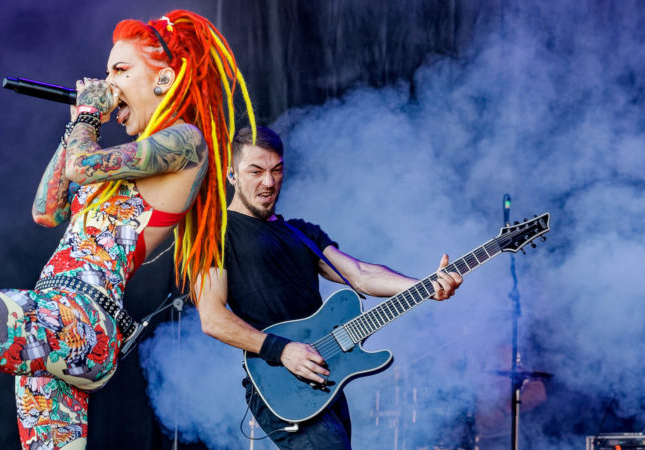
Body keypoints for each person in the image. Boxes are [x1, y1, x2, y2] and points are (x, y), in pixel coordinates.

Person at [0, 10, 255, 450]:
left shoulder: (186, 141)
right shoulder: (121, 161)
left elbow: (81, 165)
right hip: (55, 324)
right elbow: (45, 210)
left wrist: (88, 116)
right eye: (107, 73)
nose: (108, 83)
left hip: (81, 319)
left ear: (163, 80)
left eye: (120, 70)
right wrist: (77, 123)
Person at [195, 126, 463, 449]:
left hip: (324, 379)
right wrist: (283, 350)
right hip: (278, 381)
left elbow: (361, 274)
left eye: (276, 170)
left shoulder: (302, 233)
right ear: (231, 175)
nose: (269, 182)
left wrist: (425, 286)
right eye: (256, 171)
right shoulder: (215, 234)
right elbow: (212, 318)